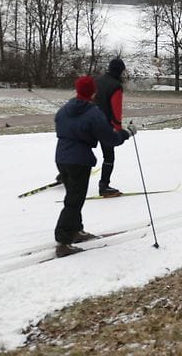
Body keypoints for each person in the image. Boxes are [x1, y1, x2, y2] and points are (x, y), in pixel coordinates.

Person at [54, 75, 135, 258]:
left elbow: (59, 123)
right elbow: (110, 139)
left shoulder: (66, 108)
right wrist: (126, 134)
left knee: (75, 196)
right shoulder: (93, 113)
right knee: (74, 200)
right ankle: (64, 241)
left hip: (61, 157)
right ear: (93, 92)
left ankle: (76, 230)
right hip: (79, 160)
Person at [93, 58, 127, 197]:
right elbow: (116, 110)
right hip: (105, 125)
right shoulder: (116, 86)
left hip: (90, 121)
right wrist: (118, 129)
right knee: (108, 157)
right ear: (120, 71)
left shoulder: (98, 80)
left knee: (81, 149)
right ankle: (104, 186)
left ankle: (65, 175)